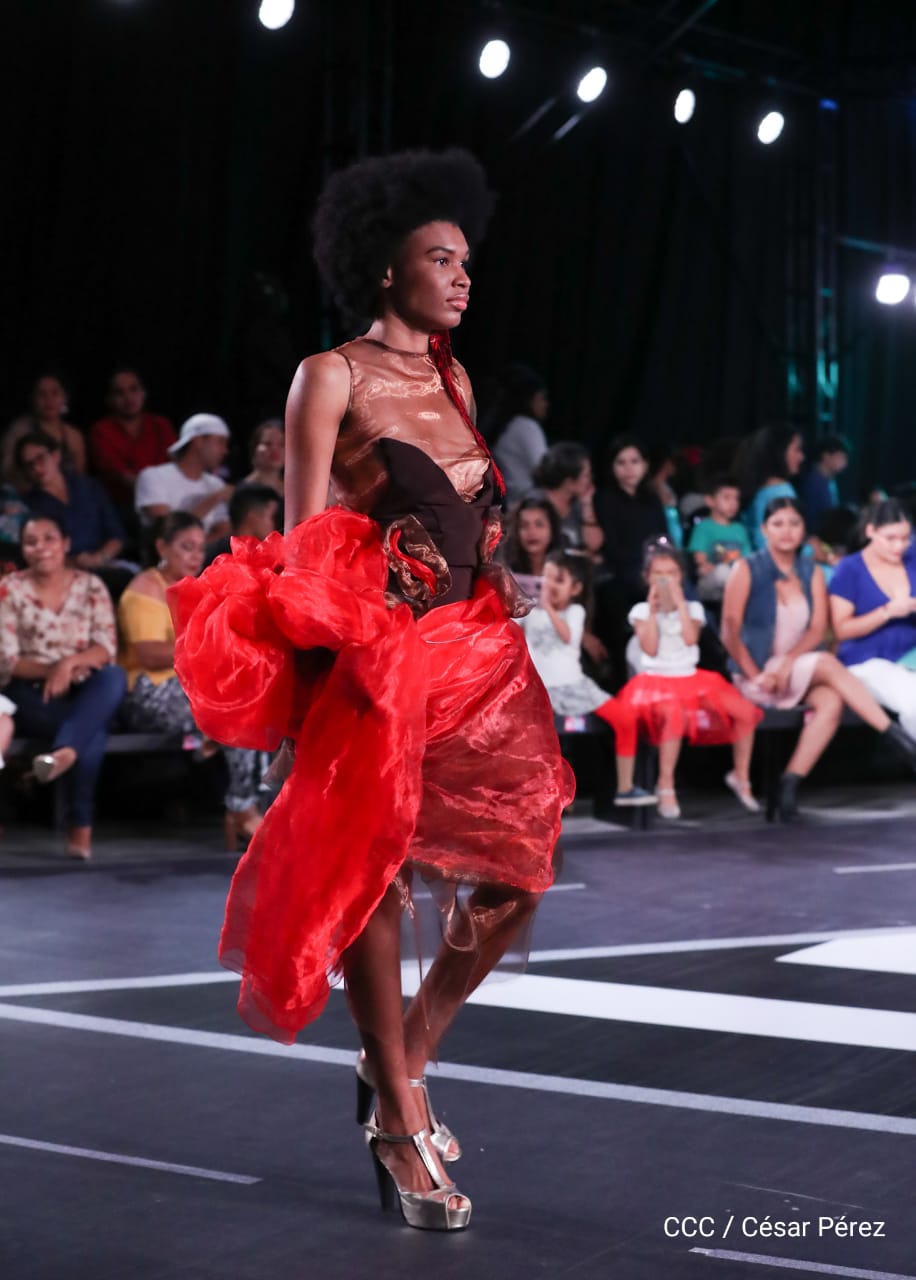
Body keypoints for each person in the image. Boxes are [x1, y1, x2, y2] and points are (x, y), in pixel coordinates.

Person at [167, 148, 574, 1232]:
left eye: (466, 259)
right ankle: (399, 1113)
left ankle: (407, 1053)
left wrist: (499, 569)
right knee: (373, 875)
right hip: (381, 657)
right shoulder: (330, 375)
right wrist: (324, 660)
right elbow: (305, 544)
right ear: (384, 267)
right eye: (440, 258)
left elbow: (468, 514)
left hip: (479, 654)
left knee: (520, 869)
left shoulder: (456, 377)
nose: (462, 275)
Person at [721, 497, 916, 820]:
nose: (787, 531)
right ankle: (896, 738)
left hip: (795, 667)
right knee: (827, 663)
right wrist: (756, 674)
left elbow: (816, 631)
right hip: (756, 671)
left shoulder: (809, 570)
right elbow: (730, 632)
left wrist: (787, 662)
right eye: (778, 524)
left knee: (830, 703)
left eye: (794, 523)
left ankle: (788, 785)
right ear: (764, 529)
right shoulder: (746, 569)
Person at [118, 513, 263, 851]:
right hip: (149, 692)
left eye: (200, 547)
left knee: (255, 705)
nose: (196, 556)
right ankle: (242, 810)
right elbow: (149, 654)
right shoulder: (144, 589)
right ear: (162, 547)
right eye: (186, 547)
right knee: (232, 714)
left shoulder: (199, 587)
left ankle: (247, 805)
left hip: (192, 687)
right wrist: (209, 647)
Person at [0, 515, 126, 859]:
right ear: (23, 549)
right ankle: (80, 825)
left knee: (113, 677)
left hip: (86, 688)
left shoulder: (91, 586)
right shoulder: (9, 589)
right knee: (91, 731)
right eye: (31, 541)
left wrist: (68, 664)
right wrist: (51, 670)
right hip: (31, 693)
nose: (41, 547)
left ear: (66, 543)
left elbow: (105, 648)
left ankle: (63, 755)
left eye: (49, 539)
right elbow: (6, 661)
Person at [616, 542, 762, 818]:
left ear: (680, 576)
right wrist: (653, 610)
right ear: (647, 577)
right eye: (659, 574)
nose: (665, 580)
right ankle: (665, 783)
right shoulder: (640, 611)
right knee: (674, 713)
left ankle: (741, 776)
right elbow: (649, 648)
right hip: (656, 680)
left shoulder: (693, 609)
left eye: (671, 573)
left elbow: (690, 638)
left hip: (692, 678)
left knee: (744, 712)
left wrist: (680, 603)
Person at [516, 550, 654, 806]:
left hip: (575, 686)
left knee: (624, 718)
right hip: (539, 690)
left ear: (576, 588)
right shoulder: (531, 614)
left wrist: (548, 609)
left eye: (559, 580)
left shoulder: (575, 611)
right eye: (547, 578)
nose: (550, 586)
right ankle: (542, 795)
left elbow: (568, 637)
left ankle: (625, 787)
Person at [829, 498, 916, 738]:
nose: (899, 546)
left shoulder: (912, 560)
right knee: (913, 701)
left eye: (905, 538)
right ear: (871, 532)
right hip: (867, 662)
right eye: (890, 538)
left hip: (910, 657)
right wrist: (887, 612)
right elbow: (841, 629)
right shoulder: (850, 569)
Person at [17, 432, 127, 573]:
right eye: (29, 465)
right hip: (62, 571)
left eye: (40, 458)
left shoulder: (89, 486)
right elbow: (34, 552)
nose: (36, 468)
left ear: (56, 455)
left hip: (106, 563)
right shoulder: (29, 504)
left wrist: (99, 558)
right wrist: (74, 562)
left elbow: (116, 535)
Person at [134, 414, 233, 545]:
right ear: (198, 441)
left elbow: (223, 531)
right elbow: (168, 533)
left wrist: (195, 550)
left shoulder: (216, 484)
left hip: (207, 555)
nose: (225, 451)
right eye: (220, 442)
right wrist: (215, 498)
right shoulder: (153, 476)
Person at [88, 367, 176, 513]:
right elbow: (120, 475)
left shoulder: (161, 426)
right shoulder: (101, 431)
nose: (128, 398)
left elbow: (173, 465)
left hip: (167, 498)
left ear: (143, 393)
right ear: (109, 399)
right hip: (122, 505)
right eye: (119, 393)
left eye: (133, 389)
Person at [3, 372, 86, 490]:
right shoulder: (18, 432)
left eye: (55, 393)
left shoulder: (74, 436)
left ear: (65, 398)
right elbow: (7, 474)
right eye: (42, 394)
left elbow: (81, 479)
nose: (49, 399)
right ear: (33, 399)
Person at [483, 363, 549, 506]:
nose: (546, 405)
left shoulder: (502, 426)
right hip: (531, 505)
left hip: (511, 504)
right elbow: (546, 470)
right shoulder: (526, 427)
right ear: (531, 399)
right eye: (542, 398)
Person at [529, 442, 604, 558]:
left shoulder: (578, 504)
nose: (590, 480)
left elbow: (593, 545)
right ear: (569, 482)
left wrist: (587, 505)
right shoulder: (534, 503)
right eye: (586, 475)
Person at [738, 424, 804, 551]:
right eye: (797, 450)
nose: (801, 457)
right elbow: (783, 544)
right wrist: (812, 550)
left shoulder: (755, 488)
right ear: (779, 451)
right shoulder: (782, 491)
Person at [688, 476, 752, 604]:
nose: (733, 503)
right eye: (727, 498)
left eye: (736, 498)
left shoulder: (739, 529)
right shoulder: (704, 527)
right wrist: (704, 567)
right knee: (722, 571)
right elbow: (700, 560)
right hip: (712, 582)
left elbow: (748, 559)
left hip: (736, 580)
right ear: (710, 501)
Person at [497, 496, 561, 599]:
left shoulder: (565, 571)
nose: (531, 532)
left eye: (539, 525)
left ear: (552, 530)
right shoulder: (505, 574)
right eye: (524, 525)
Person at [204, 484, 281, 565]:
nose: (275, 524)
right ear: (253, 517)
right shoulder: (215, 559)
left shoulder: (271, 558)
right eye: (273, 517)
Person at [800, 435, 850, 540]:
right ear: (826, 456)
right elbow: (811, 520)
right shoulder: (813, 482)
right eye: (841, 457)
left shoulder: (830, 480)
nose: (844, 463)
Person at [240, 419, 284, 498]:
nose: (275, 449)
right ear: (254, 448)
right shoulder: (242, 491)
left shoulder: (294, 490)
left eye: (282, 444)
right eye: (267, 444)